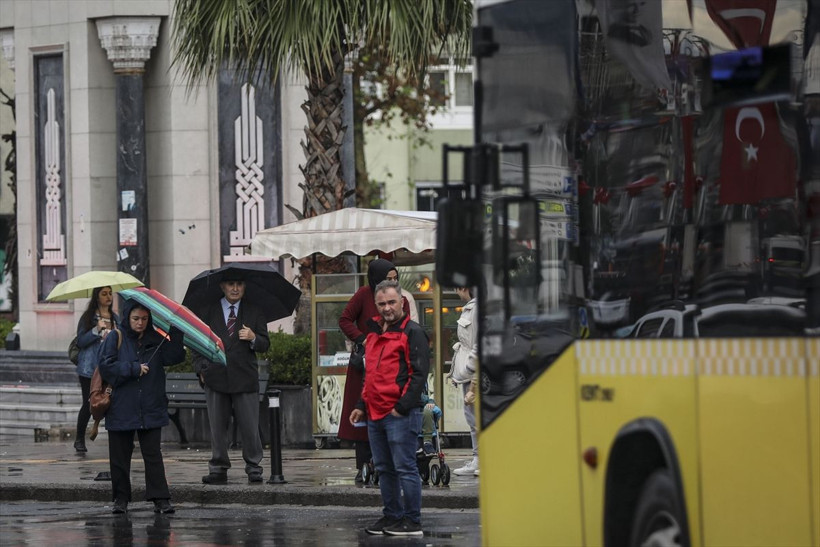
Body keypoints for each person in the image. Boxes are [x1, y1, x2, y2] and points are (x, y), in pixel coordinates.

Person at [350, 280, 430, 537]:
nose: (387, 308)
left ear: (402, 303)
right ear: (376, 304)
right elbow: (370, 374)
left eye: (392, 302)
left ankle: (412, 521)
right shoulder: (373, 333)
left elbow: (419, 375)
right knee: (384, 468)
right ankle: (393, 516)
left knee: (405, 467)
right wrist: (361, 405)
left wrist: (402, 407)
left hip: (398, 413)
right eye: (382, 303)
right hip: (375, 413)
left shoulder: (413, 332)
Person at [98, 300, 185, 515]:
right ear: (127, 317)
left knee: (153, 454)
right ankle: (120, 499)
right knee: (119, 457)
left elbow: (174, 356)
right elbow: (106, 367)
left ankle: (160, 499)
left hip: (150, 405)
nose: (140, 323)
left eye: (144, 319)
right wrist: (133, 369)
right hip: (121, 406)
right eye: (136, 318)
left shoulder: (154, 338)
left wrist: (177, 331)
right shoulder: (115, 337)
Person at [193, 273, 270, 485]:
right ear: (222, 286)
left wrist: (254, 338)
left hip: (245, 378)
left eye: (239, 284)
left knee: (250, 426)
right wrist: (201, 368)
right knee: (217, 427)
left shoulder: (254, 310)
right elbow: (195, 342)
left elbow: (265, 343)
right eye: (231, 284)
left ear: (244, 287)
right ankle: (218, 468)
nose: (235, 288)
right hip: (215, 378)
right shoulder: (207, 311)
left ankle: (254, 467)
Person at [338, 259, 411, 482]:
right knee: (363, 416)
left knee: (389, 415)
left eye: (394, 278)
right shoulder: (364, 294)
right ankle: (364, 467)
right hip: (365, 365)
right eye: (387, 278)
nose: (392, 282)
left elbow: (405, 325)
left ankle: (386, 467)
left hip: (390, 365)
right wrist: (363, 339)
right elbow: (344, 319)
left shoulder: (401, 300)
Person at [73, 286, 118, 453]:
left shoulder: (115, 319)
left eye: (110, 293)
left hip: (109, 367)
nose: (108, 297)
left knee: (112, 401)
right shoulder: (88, 318)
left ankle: (118, 437)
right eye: (104, 294)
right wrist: (95, 330)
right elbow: (80, 341)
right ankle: (79, 439)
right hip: (89, 368)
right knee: (88, 402)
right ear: (97, 297)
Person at [450, 286, 479, 476]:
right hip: (468, 373)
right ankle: (479, 459)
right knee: (472, 419)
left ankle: (482, 460)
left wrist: (470, 371)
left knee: (476, 419)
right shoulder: (470, 307)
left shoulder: (477, 308)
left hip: (474, 374)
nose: (455, 292)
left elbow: (479, 344)